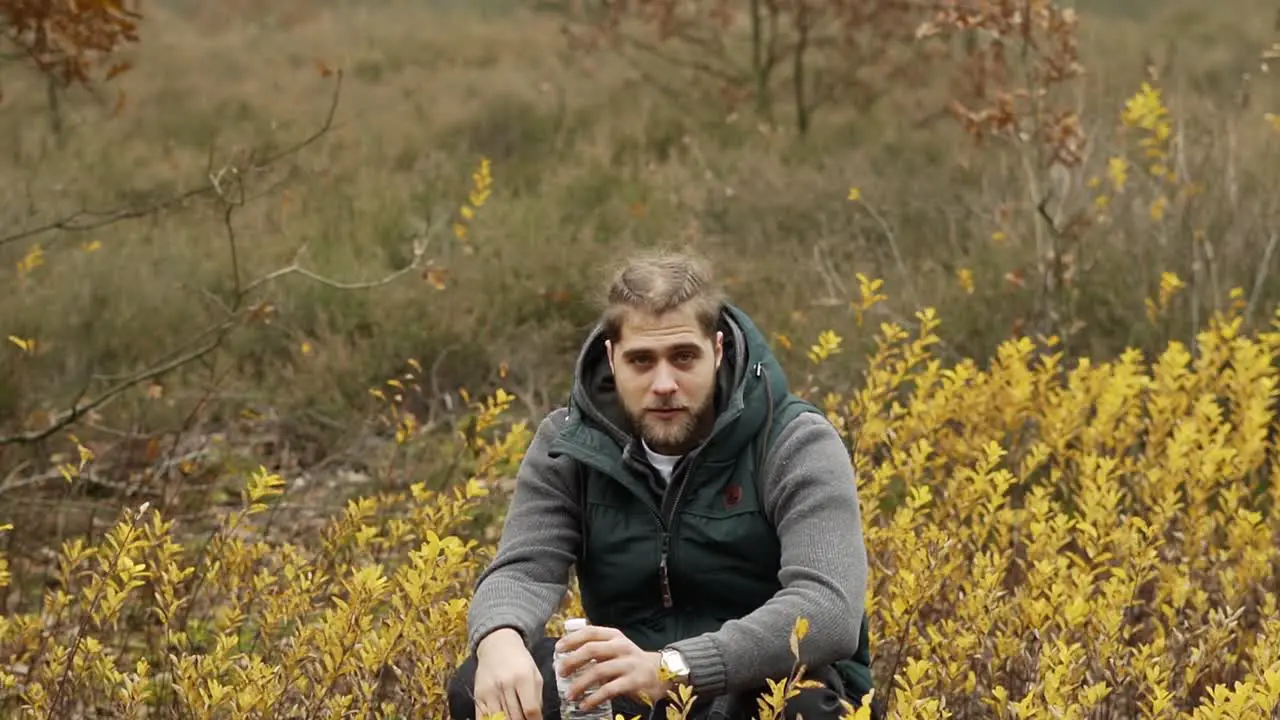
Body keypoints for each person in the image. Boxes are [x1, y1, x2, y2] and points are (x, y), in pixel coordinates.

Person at [446, 250, 875, 720]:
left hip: (759, 682)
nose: (664, 383)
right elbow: (523, 570)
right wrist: (499, 639)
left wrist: (674, 669)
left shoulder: (793, 440)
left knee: (802, 709)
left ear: (718, 350)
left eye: (684, 357)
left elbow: (828, 609)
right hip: (628, 677)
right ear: (611, 359)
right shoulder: (566, 445)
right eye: (641, 361)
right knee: (481, 687)